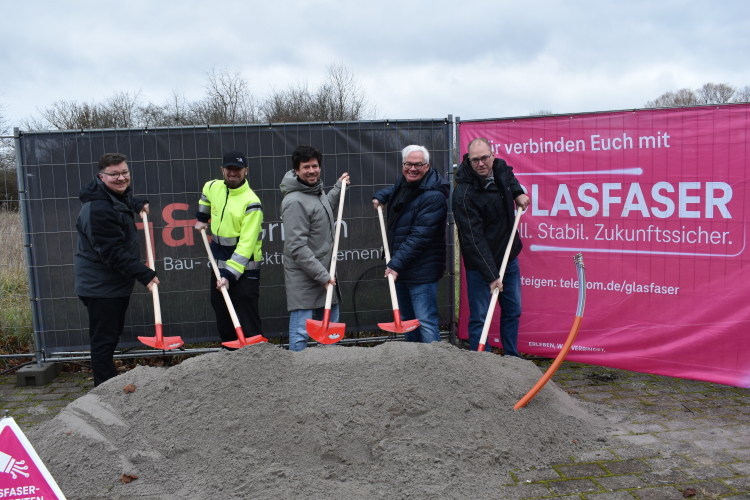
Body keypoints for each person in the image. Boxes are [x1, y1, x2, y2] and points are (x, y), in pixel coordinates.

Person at [75, 153, 160, 386]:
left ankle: (108, 384)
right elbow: (112, 252)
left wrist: (135, 203)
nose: (121, 178)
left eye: (125, 172)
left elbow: (122, 198)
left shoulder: (110, 195)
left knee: (111, 336)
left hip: (113, 283)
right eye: (114, 174)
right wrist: (144, 273)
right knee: (103, 340)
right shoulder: (98, 209)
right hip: (100, 286)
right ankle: (104, 390)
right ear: (101, 177)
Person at [452, 137, 530, 356]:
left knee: (513, 310)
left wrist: (517, 192)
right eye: (475, 160)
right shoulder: (464, 195)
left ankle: (512, 359)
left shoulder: (500, 168)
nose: (481, 164)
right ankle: (483, 368)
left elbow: (509, 175)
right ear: (468, 160)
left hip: (508, 256)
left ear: (492, 155)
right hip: (480, 265)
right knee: (480, 317)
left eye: (485, 158)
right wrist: (491, 275)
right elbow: (473, 239)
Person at [372, 145, 449, 343]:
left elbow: (419, 237)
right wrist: (381, 196)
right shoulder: (406, 184)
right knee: (408, 321)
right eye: (408, 164)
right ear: (403, 164)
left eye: (418, 165)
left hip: (421, 270)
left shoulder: (435, 196)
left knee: (425, 321)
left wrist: (395, 265)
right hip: (403, 267)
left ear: (427, 166)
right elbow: (396, 189)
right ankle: (414, 364)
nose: (412, 169)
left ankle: (433, 365)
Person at [280, 145, 349, 352]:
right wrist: (323, 276)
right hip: (306, 278)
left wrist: (338, 188)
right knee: (301, 333)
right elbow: (297, 247)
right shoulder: (294, 201)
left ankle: (327, 375)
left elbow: (322, 210)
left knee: (331, 333)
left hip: (324, 274)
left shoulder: (315, 192)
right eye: (306, 167)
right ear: (296, 171)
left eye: (315, 166)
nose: (312, 170)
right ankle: (299, 376)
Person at [195, 150, 264, 348]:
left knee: (247, 323)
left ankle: (257, 365)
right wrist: (202, 218)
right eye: (229, 169)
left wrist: (229, 274)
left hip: (244, 273)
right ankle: (230, 364)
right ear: (222, 170)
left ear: (246, 171)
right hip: (217, 269)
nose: (233, 173)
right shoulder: (213, 186)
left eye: (237, 169)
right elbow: (206, 194)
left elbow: (246, 245)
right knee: (224, 319)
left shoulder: (251, 203)